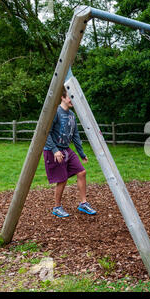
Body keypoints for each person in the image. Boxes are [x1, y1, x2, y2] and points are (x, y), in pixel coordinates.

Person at [43, 87, 96, 218]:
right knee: (62, 179)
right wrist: (55, 151)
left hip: (66, 149)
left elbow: (75, 135)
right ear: (62, 97)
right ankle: (57, 207)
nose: (72, 100)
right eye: (70, 97)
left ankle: (83, 203)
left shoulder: (72, 115)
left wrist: (81, 153)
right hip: (53, 150)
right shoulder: (55, 112)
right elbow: (46, 133)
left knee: (82, 172)